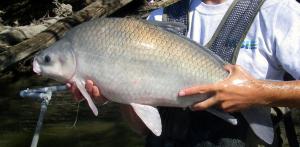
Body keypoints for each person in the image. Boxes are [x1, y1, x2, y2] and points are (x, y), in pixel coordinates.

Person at [69, 0, 300, 146]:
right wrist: (116, 90)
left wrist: (257, 93)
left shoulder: (277, 11)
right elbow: (140, 128)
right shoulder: (158, 20)